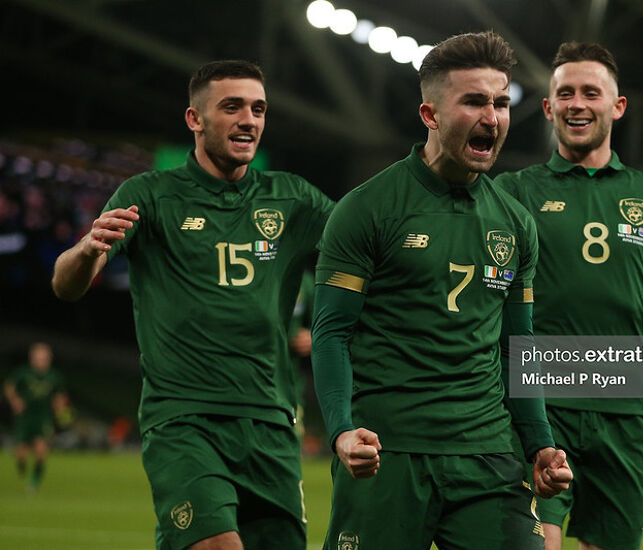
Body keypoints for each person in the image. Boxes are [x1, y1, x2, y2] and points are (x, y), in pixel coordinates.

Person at [52, 60, 334, 550]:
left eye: (259, 108)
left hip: (271, 419)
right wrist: (86, 250)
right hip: (185, 417)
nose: (249, 119)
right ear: (195, 119)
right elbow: (67, 284)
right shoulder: (151, 196)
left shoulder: (295, 200)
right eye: (232, 107)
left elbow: (368, 253)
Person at [311, 31, 572, 550]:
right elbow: (332, 332)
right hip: (389, 452)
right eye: (474, 101)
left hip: (488, 453)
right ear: (429, 115)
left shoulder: (516, 224)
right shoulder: (367, 209)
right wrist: (341, 428)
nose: (492, 117)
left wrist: (540, 443)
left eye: (501, 102)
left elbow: (519, 347)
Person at [495, 42, 643, 550]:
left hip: (626, 409)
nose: (577, 103)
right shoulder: (515, 192)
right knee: (536, 542)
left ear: (617, 106)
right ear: (548, 107)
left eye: (591, 92)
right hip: (541, 400)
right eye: (565, 93)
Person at [4, 341, 70, 491]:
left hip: (42, 417)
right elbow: (9, 387)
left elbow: (59, 396)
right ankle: (21, 466)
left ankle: (35, 481)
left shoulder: (54, 376)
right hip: (25, 417)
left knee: (41, 450)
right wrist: (15, 401)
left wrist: (60, 409)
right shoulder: (23, 373)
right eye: (39, 357)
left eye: (44, 357)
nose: (42, 360)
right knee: (21, 452)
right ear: (32, 358)